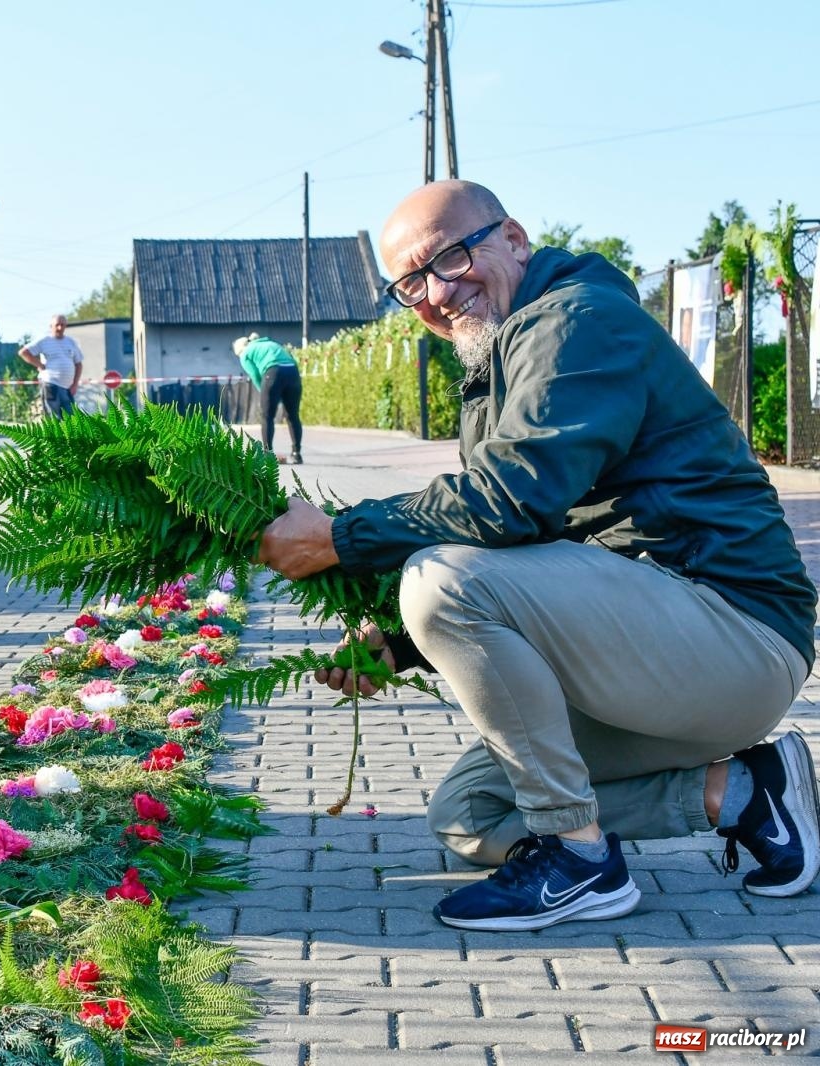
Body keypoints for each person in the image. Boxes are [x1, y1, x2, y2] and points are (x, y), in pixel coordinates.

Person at [255, 180, 817, 932]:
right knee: (471, 813)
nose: (437, 293)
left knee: (439, 581)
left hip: (735, 636)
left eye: (451, 258)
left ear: (514, 238)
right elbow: (525, 542)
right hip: (658, 654)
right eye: (409, 283)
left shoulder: (577, 319)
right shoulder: (502, 353)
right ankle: (745, 791)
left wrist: (335, 537)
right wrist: (397, 646)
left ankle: (581, 863)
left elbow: (508, 501)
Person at [233, 331, 303, 462]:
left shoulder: (245, 354)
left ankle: (267, 454)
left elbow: (254, 374)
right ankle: (296, 453)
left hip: (273, 372)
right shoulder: (272, 343)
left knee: (267, 416)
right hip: (293, 371)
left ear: (240, 350)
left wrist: (264, 392)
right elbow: (292, 360)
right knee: (293, 415)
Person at [17, 314, 84, 417]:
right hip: (51, 384)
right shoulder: (44, 340)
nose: (60, 328)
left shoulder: (71, 342)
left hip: (67, 387)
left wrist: (75, 384)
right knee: (54, 418)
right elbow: (23, 352)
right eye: (57, 325)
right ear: (51, 326)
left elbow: (78, 364)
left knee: (71, 418)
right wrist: (39, 364)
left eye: (62, 325)